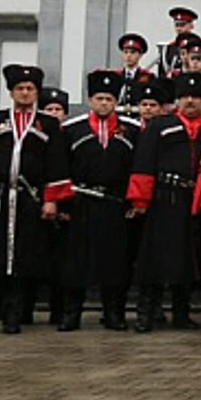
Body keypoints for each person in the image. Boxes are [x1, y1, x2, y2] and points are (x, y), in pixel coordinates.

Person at [0, 63, 68, 336]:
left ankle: (14, 316)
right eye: (20, 89)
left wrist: (52, 199)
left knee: (24, 258)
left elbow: (57, 163)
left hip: (29, 199)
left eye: (30, 89)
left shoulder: (48, 124)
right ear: (11, 91)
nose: (25, 93)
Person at [127, 72, 201, 332]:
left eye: (196, 97)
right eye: (186, 96)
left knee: (188, 258)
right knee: (153, 258)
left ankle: (181, 312)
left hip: (194, 199)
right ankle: (146, 312)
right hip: (164, 198)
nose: (190, 102)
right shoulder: (160, 126)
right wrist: (141, 200)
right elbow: (144, 162)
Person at [52, 70, 140, 331]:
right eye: (99, 98)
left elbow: (138, 168)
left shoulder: (132, 130)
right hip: (80, 202)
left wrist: (134, 201)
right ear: (90, 100)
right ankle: (72, 313)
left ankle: (114, 312)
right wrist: (62, 203)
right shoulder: (70, 130)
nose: (104, 103)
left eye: (109, 99)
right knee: (76, 261)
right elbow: (59, 168)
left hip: (115, 203)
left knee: (116, 261)